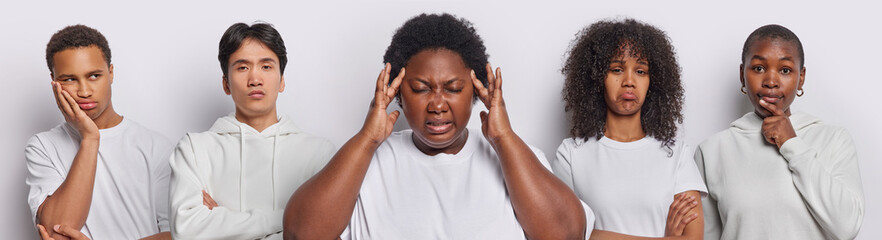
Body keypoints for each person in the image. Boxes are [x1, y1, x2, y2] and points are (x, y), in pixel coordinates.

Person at [284, 13, 593, 240]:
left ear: (476, 91)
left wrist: (503, 138)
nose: (437, 104)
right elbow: (300, 234)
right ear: (398, 94)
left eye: (454, 88)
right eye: (420, 89)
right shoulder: (367, 161)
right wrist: (367, 139)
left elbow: (567, 234)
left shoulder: (516, 157)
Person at [694, 24, 865, 240]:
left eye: (785, 70)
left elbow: (847, 227)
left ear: (801, 77)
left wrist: (791, 143)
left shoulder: (834, 140)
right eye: (758, 68)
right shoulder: (712, 151)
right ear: (742, 74)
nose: (771, 82)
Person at [168, 22, 335, 239]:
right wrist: (290, 219)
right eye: (242, 67)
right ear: (226, 84)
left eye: (266, 67)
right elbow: (186, 231)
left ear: (281, 80)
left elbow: (327, 229)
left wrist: (219, 221)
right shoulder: (193, 150)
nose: (255, 79)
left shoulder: (320, 154)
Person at [552, 18, 705, 240]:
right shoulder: (571, 154)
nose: (629, 81)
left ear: (654, 81)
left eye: (641, 71)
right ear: (597, 77)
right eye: (616, 69)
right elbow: (564, 233)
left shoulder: (677, 154)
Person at [26, 24, 172, 240]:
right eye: (69, 79)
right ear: (54, 82)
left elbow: (178, 234)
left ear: (110, 73)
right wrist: (90, 138)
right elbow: (57, 230)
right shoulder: (42, 147)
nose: (84, 91)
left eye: (94, 76)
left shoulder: (155, 146)